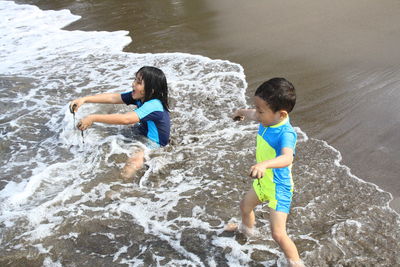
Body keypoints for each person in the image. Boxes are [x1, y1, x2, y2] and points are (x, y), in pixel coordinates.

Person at [226, 78, 303, 266]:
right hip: (263, 183)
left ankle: (296, 263)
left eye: (261, 111)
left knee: (278, 233)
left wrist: (264, 165)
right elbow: (253, 114)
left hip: (279, 188)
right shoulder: (267, 119)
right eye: (257, 109)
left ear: (281, 114)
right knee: (245, 206)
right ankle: (247, 232)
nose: (257, 114)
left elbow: (287, 158)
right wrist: (240, 112)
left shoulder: (286, 133)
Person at [69, 66, 170, 180]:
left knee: (132, 162)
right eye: (134, 79)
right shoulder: (140, 96)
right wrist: (85, 99)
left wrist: (93, 118)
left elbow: (125, 119)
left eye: (138, 82)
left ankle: (122, 188)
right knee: (108, 138)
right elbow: (113, 97)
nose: (133, 84)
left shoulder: (154, 105)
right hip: (141, 132)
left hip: (154, 143)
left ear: (151, 90)